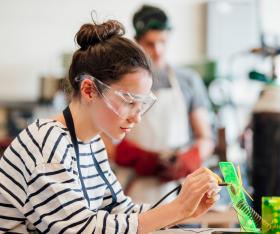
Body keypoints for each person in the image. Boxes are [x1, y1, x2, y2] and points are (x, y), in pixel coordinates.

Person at [0, 19, 220, 233]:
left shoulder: (91, 143)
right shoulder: (47, 143)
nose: (137, 117)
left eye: (141, 105)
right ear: (89, 90)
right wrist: (177, 208)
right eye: (128, 101)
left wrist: (186, 210)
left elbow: (120, 212)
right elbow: (82, 229)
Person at [111, 5, 215, 203]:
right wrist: (136, 157)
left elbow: (206, 138)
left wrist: (189, 159)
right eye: (150, 44)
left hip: (179, 189)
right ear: (137, 42)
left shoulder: (188, 81)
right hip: (132, 188)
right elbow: (104, 137)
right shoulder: (122, 81)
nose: (157, 51)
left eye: (162, 42)